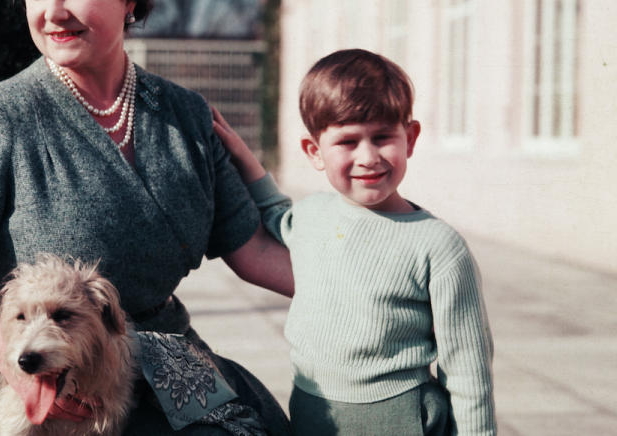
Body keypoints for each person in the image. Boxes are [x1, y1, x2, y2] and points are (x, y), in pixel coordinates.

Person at [0, 0, 292, 435]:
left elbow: (255, 253)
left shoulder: (185, 116)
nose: (53, 11)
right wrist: (12, 359)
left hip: (170, 364)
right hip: (52, 377)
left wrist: (379, 283)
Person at [212, 48, 496, 435]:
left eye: (382, 137)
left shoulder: (439, 247)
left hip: (402, 420)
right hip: (315, 412)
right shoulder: (313, 216)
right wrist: (245, 158)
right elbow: (275, 213)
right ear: (315, 152)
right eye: (348, 142)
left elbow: (468, 369)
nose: (368, 157)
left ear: (409, 138)